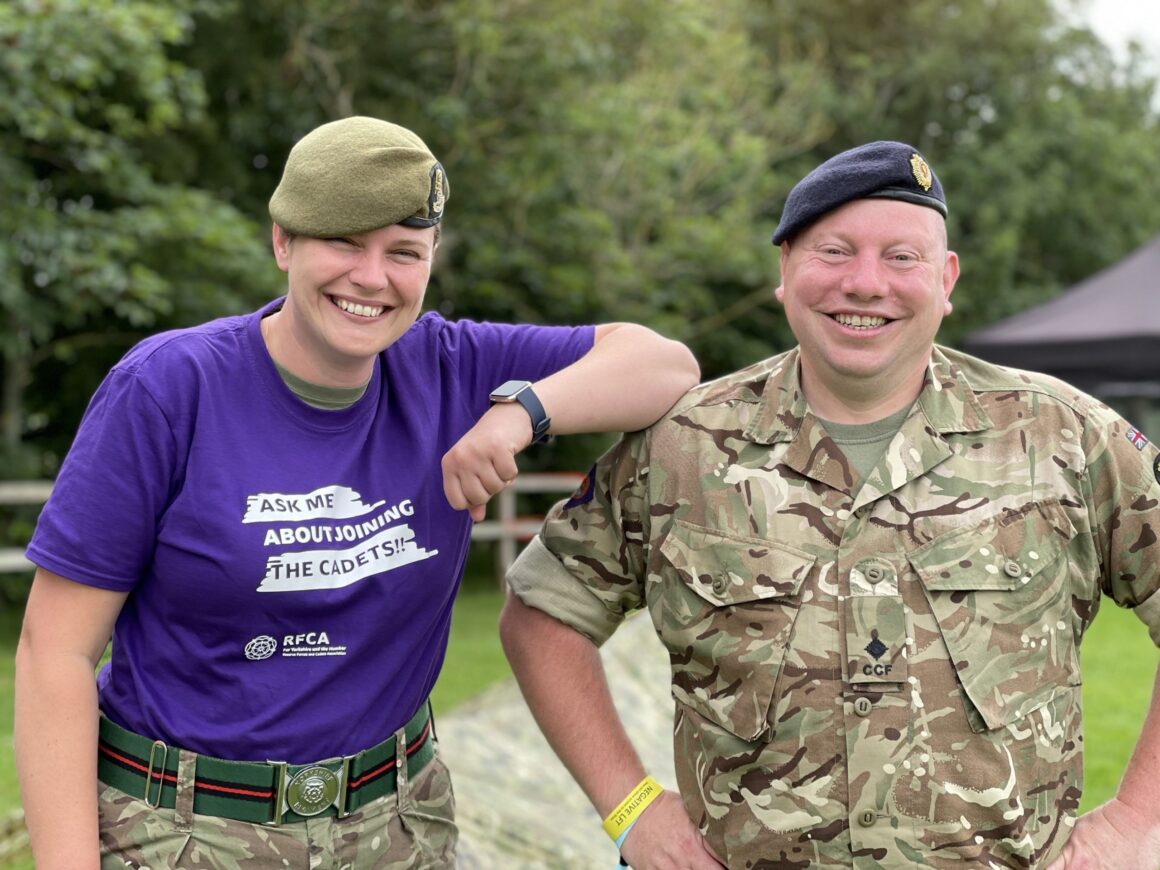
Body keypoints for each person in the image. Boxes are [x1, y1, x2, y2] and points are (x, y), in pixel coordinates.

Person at [14, 115, 700, 869]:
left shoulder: (449, 366)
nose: (372, 278)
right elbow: (56, 654)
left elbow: (665, 365)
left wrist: (518, 416)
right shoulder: (168, 390)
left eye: (404, 253)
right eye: (344, 242)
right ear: (284, 242)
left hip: (397, 830)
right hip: (182, 831)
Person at [499, 140, 1160, 869]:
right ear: (784, 271)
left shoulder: (1064, 437)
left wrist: (1135, 821)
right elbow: (543, 613)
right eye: (835, 251)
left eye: (901, 258)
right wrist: (631, 810)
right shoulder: (682, 445)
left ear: (946, 280)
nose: (866, 283)